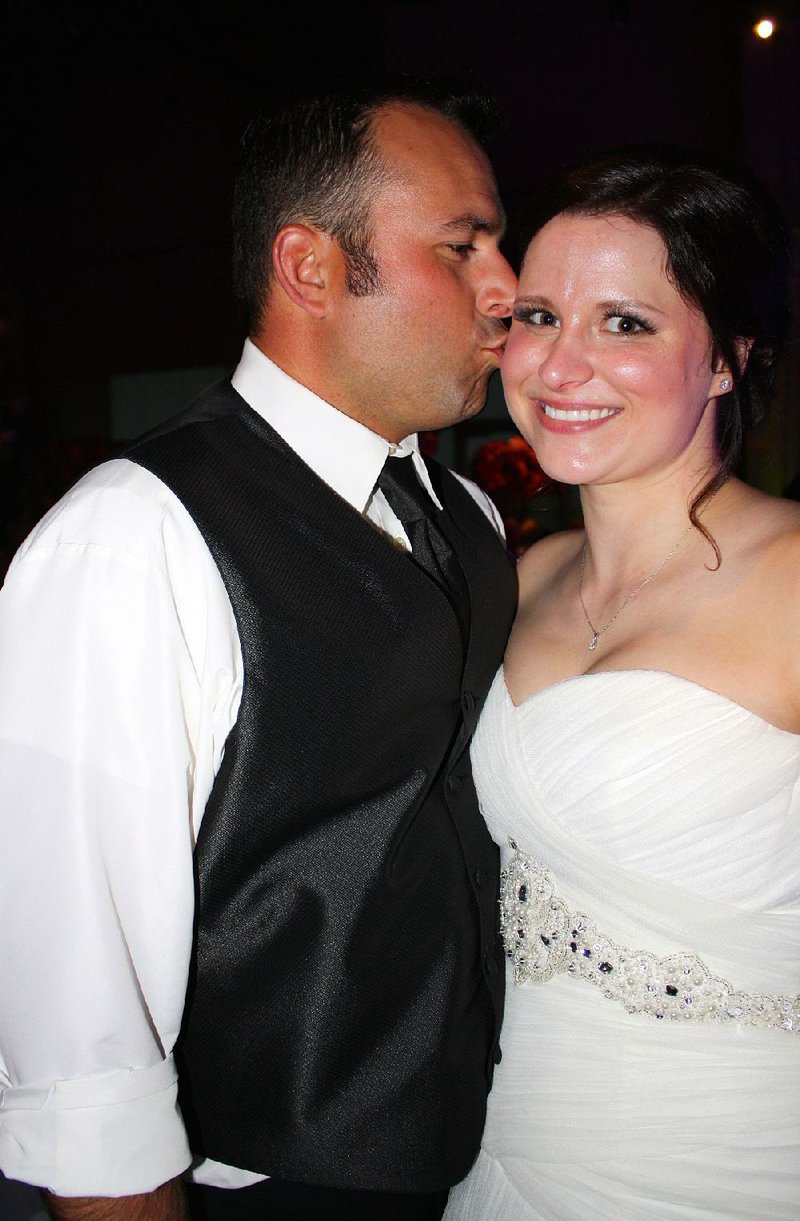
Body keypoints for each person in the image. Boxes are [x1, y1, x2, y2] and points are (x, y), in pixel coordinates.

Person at [0, 80, 518, 1221]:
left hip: (485, 1151)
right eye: (462, 245)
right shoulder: (132, 535)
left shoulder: (468, 518)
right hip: (262, 1177)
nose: (506, 288)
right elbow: (78, 988)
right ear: (311, 266)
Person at [445, 146, 800, 1220]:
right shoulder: (520, 576)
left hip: (731, 1161)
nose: (558, 367)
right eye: (539, 316)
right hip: (507, 1152)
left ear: (728, 359)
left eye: (625, 324)